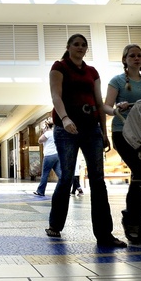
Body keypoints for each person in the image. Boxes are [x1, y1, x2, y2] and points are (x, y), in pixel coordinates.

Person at [45, 34, 126, 248]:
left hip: (91, 128)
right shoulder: (59, 67)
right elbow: (56, 96)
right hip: (66, 129)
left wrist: (104, 131)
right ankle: (55, 224)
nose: (80, 48)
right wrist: (64, 118)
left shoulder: (92, 72)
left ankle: (104, 234)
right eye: (76, 44)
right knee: (66, 177)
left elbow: (99, 103)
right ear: (68, 46)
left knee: (98, 180)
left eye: (83, 45)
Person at [104, 43, 141, 243]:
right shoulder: (116, 81)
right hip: (122, 132)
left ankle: (134, 218)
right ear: (125, 59)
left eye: (139, 55)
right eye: (132, 55)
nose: (136, 58)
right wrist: (117, 107)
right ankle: (133, 220)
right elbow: (106, 107)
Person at [33, 121, 60, 196]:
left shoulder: (47, 133)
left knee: (45, 174)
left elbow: (39, 140)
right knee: (60, 173)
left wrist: (44, 132)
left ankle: (40, 191)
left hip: (49, 155)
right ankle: (65, 189)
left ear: (46, 127)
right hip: (57, 155)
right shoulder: (55, 133)